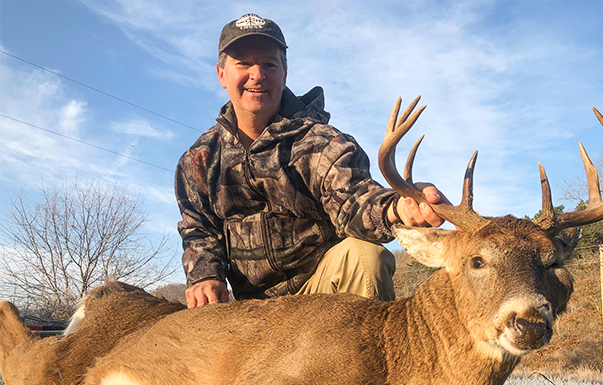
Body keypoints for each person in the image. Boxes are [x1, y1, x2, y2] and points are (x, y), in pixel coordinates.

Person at [175, 13, 444, 308]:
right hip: (249, 310)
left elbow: (354, 199)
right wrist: (204, 276)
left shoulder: (320, 143)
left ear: (284, 74)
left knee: (365, 258)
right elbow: (198, 229)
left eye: (269, 64)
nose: (257, 75)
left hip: (321, 298)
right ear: (221, 74)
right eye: (243, 64)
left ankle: (369, 353)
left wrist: (395, 207)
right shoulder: (199, 160)